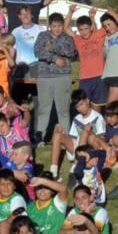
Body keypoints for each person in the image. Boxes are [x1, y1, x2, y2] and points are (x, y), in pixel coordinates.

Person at [33, 12, 78, 143]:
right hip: (44, 77)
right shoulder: (42, 36)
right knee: (43, 109)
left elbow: (71, 51)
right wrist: (54, 58)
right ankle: (40, 138)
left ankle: (65, 139)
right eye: (54, 26)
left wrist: (51, 47)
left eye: (60, 26)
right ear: (49, 26)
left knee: (63, 110)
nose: (57, 29)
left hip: (62, 77)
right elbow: (38, 51)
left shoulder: (67, 37)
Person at [65, 5, 107, 107]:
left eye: (86, 29)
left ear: (90, 27)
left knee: (97, 106)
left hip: (99, 77)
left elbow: (96, 30)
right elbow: (66, 28)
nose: (84, 32)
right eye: (81, 30)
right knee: (84, 106)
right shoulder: (78, 39)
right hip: (84, 78)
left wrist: (92, 17)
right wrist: (70, 12)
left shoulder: (98, 35)